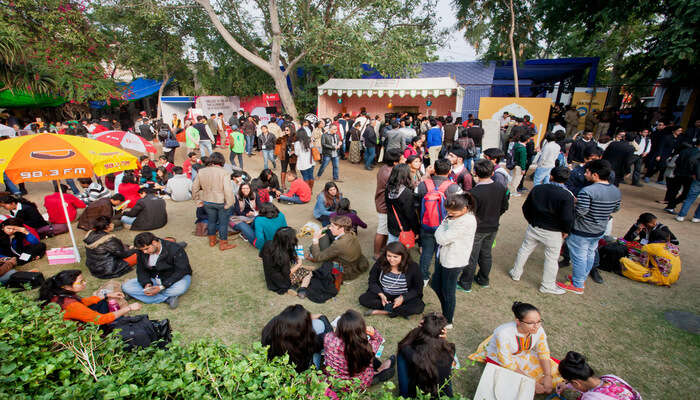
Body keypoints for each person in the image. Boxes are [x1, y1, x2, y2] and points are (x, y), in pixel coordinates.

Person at [469, 302, 562, 394]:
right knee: (517, 386)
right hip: (500, 359)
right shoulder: (503, 333)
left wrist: (548, 376)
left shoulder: (538, 329)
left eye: (539, 321)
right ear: (518, 321)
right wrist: (532, 383)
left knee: (556, 370)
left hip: (523, 356)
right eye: (531, 323)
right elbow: (507, 363)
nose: (536, 326)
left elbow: (543, 352)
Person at [558, 160, 621, 293]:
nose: (585, 174)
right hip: (599, 230)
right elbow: (616, 208)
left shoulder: (588, 191)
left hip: (582, 230)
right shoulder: (615, 190)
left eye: (587, 172)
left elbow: (581, 212)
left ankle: (577, 284)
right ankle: (581, 278)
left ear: (595, 175)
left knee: (579, 257)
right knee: (590, 253)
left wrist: (575, 203)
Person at [509, 167, 575, 294]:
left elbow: (526, 207)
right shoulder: (567, 195)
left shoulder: (538, 189)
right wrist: (566, 230)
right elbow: (567, 217)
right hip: (554, 231)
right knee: (551, 258)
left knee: (525, 249)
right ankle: (547, 285)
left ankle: (516, 273)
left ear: (551, 176)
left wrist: (531, 221)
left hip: (535, 226)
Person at [457, 160, 509, 292]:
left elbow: (469, 213)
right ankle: (483, 279)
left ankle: (466, 283)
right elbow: (504, 207)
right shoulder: (501, 187)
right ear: (492, 172)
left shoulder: (474, 193)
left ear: (475, 173)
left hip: (477, 229)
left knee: (472, 255)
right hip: (492, 226)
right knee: (486, 253)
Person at [432, 193, 477, 327]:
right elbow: (441, 232)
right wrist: (442, 228)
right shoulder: (453, 216)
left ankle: (448, 320)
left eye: (453, 211)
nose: (449, 213)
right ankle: (446, 312)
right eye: (448, 210)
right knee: (435, 284)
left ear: (465, 208)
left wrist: (440, 230)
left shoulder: (466, 221)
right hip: (443, 256)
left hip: (453, 260)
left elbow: (441, 238)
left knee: (448, 291)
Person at [415, 159, 462, 284]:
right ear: (450, 171)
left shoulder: (422, 185)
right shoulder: (454, 188)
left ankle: (423, 277)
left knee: (426, 251)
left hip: (426, 224)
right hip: (446, 226)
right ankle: (439, 277)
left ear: (434, 170)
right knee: (443, 253)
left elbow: (416, 203)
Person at [323, 310, 394, 391]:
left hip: (333, 380)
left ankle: (378, 371)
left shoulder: (328, 337)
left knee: (369, 360)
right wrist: (374, 333)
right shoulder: (364, 348)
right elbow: (378, 340)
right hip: (355, 382)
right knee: (371, 361)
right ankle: (378, 373)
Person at [39, 270, 141, 325]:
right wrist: (129, 308)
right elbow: (100, 319)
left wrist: (107, 295)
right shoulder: (70, 304)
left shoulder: (58, 294)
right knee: (105, 310)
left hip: (73, 321)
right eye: (80, 282)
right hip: (78, 332)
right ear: (66, 286)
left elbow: (83, 301)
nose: (85, 283)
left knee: (100, 303)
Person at [121, 232, 192, 309]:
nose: (144, 252)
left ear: (155, 243)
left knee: (179, 289)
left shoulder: (175, 249)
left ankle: (140, 294)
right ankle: (166, 299)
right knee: (127, 286)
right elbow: (141, 270)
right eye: (142, 250)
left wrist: (162, 287)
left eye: (146, 249)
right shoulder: (141, 251)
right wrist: (146, 283)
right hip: (155, 277)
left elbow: (181, 270)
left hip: (174, 277)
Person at [397, 313, 456, 398]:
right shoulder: (451, 349)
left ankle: (404, 395)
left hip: (418, 395)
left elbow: (403, 345)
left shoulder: (409, 352)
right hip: (442, 396)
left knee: (401, 356)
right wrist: (443, 340)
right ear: (442, 332)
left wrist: (416, 330)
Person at [359, 241, 425, 318]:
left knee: (419, 306)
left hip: (403, 295)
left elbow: (418, 288)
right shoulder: (381, 262)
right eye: (389, 256)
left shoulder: (413, 267)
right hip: (384, 294)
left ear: (403, 256)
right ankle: (399, 311)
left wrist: (403, 298)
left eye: (395, 257)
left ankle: (382, 311)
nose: (391, 259)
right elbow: (372, 281)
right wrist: (381, 294)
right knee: (363, 299)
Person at [261, 304, 330, 373]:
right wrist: (322, 317)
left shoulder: (272, 326)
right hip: (299, 372)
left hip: (277, 367)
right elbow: (327, 337)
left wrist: (304, 318)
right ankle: (314, 371)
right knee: (319, 324)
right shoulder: (304, 342)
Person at [192, 152, 236, 251]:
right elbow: (228, 190)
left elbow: (194, 187)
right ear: (222, 161)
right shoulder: (224, 172)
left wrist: (197, 200)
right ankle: (223, 244)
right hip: (221, 202)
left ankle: (212, 241)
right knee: (223, 223)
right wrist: (229, 203)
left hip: (207, 201)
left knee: (211, 221)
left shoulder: (202, 171)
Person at [557, 351, 642, 400]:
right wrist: (567, 385)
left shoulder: (591, 398)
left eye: (568, 381)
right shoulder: (610, 377)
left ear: (576, 383)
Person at [310, 215, 369, 281]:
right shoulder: (351, 232)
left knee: (324, 262)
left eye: (333, 226)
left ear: (341, 229)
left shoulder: (338, 244)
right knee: (326, 236)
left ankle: (311, 254)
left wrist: (315, 240)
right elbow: (331, 226)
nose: (330, 228)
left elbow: (318, 257)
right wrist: (324, 228)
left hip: (346, 270)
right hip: (355, 261)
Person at [260, 227, 314, 296]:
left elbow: (261, 257)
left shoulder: (267, 244)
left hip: (270, 277)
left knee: (288, 268)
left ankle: (299, 274)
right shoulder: (284, 256)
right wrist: (299, 264)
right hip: (281, 282)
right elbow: (288, 273)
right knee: (309, 273)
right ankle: (302, 289)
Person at [373, 149, 402, 259]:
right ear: (395, 162)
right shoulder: (390, 173)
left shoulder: (384, 168)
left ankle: (381, 249)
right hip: (384, 205)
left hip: (381, 202)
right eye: (401, 159)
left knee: (384, 230)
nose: (403, 159)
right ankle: (376, 254)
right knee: (381, 230)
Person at [386, 164, 420, 244]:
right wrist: (416, 230)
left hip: (391, 223)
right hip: (403, 226)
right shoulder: (406, 192)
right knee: (400, 250)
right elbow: (410, 214)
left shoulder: (388, 188)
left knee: (391, 244)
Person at [664, 140, 700, 213]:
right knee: (686, 193)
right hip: (688, 175)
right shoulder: (697, 153)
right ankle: (671, 205)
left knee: (674, 190)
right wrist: (693, 172)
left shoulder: (685, 150)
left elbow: (677, 161)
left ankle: (670, 206)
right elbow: (692, 161)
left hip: (678, 173)